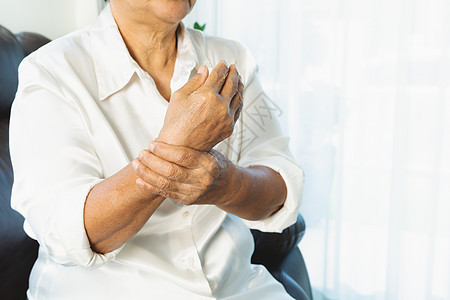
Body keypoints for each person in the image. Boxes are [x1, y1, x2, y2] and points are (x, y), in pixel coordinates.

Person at [10, 0, 304, 299]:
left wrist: (226, 185)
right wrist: (178, 145)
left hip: (237, 288)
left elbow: (279, 189)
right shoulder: (50, 72)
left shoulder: (231, 59)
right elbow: (66, 234)